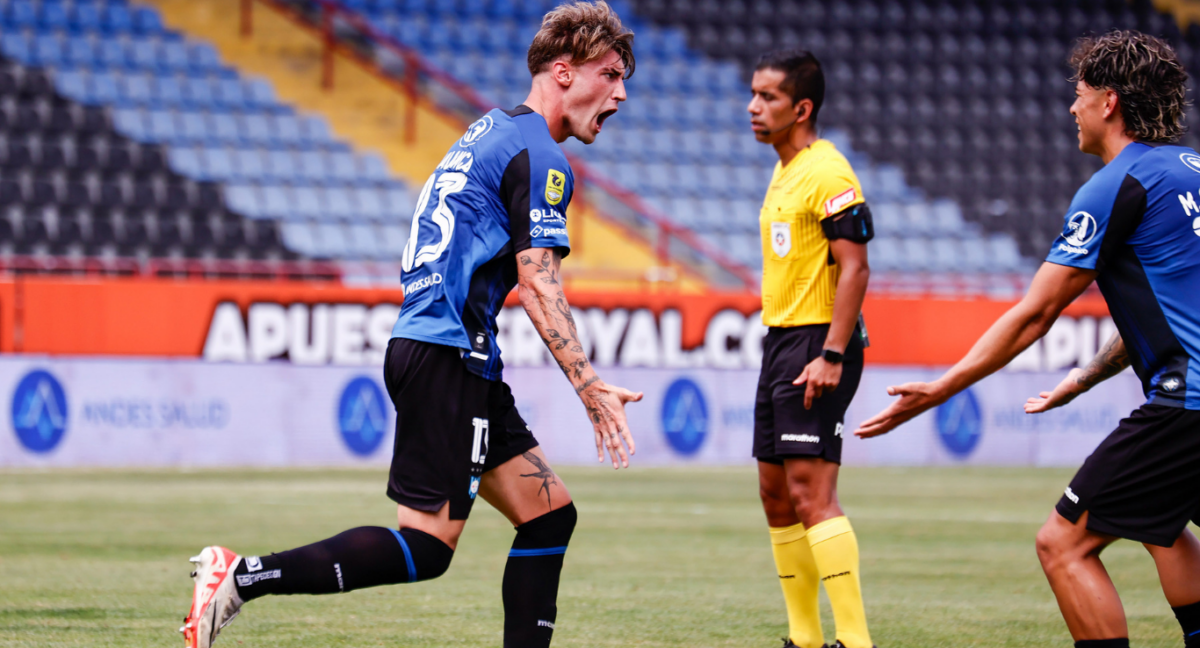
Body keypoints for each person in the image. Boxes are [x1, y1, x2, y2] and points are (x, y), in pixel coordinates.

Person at [179, 3, 641, 647]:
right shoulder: (539, 155)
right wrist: (589, 387)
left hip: (448, 350)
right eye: (610, 74)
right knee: (426, 546)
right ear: (563, 72)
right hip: (448, 353)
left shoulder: (487, 133)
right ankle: (242, 575)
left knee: (548, 516)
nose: (621, 94)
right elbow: (539, 282)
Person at [854, 30, 1200, 648]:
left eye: (1080, 93)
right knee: (1161, 523)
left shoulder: (1115, 185)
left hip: (1187, 404)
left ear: (1109, 102)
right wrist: (1083, 378)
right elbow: (1178, 309)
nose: (1072, 107)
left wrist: (942, 388)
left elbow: (1035, 314)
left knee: (1062, 543)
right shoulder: (1191, 172)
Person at [747, 49, 875, 648]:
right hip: (781, 340)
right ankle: (803, 638)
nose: (753, 106)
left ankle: (855, 640)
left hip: (818, 341)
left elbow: (856, 268)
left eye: (767, 96)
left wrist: (832, 354)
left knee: (810, 492)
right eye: (753, 93)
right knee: (776, 495)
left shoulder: (829, 172)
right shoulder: (785, 169)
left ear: (801, 108)